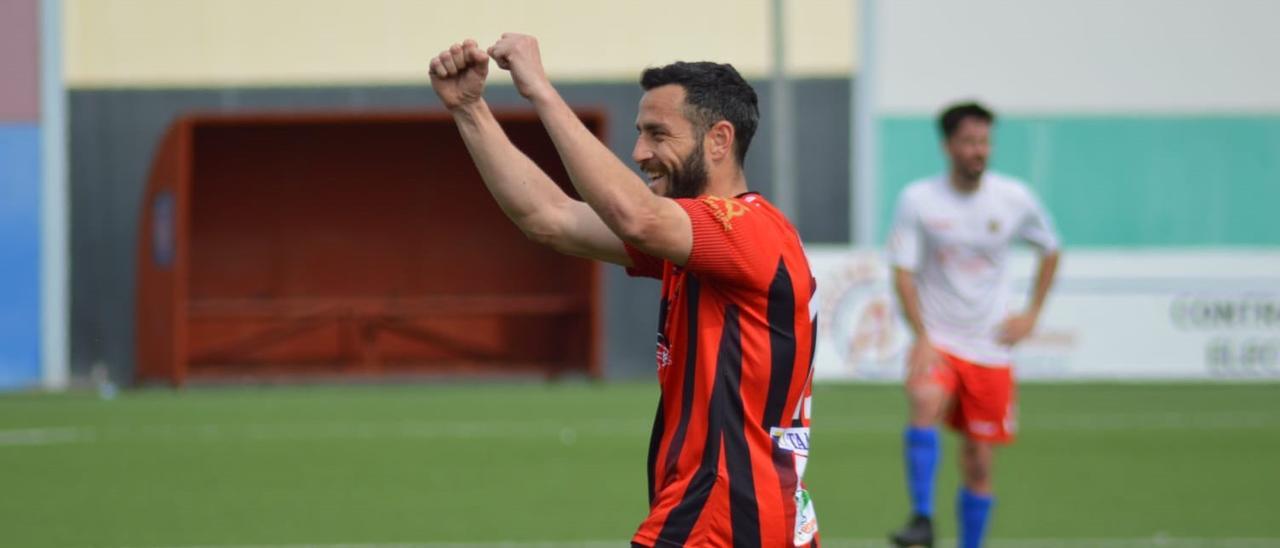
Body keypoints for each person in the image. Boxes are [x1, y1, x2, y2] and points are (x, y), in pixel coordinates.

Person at [428, 34, 820, 547]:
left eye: (659, 135)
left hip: (719, 513)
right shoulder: (700, 241)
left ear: (720, 140)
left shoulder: (747, 230)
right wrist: (470, 110)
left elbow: (634, 215)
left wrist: (540, 90)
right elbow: (551, 218)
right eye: (639, 133)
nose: (640, 152)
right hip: (751, 514)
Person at [886, 102, 1061, 548]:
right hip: (940, 341)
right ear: (948, 147)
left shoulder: (1014, 198)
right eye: (968, 142)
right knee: (924, 397)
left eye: (983, 141)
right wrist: (922, 337)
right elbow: (903, 272)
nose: (978, 150)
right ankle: (922, 518)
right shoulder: (919, 200)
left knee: (978, 461)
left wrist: (1032, 314)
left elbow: (1051, 248)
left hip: (990, 349)